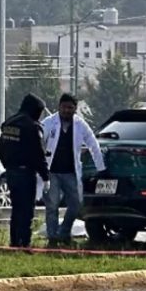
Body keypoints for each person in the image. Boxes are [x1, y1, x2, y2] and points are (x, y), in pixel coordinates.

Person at [41, 93, 105, 244]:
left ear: (75, 109)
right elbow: (38, 141)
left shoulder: (80, 124)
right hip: (52, 172)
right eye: (64, 107)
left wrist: (100, 167)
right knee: (52, 205)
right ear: (59, 107)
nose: (66, 111)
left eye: (70, 108)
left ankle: (63, 232)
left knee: (76, 204)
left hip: (70, 172)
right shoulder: (49, 123)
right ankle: (52, 237)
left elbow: (93, 144)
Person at [0, 93, 49, 248]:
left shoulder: (9, 123)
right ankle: (24, 243)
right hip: (26, 173)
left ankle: (14, 242)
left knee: (16, 209)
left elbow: (0, 149)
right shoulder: (32, 126)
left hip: (11, 172)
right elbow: (38, 154)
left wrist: (7, 165)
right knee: (26, 210)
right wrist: (45, 176)